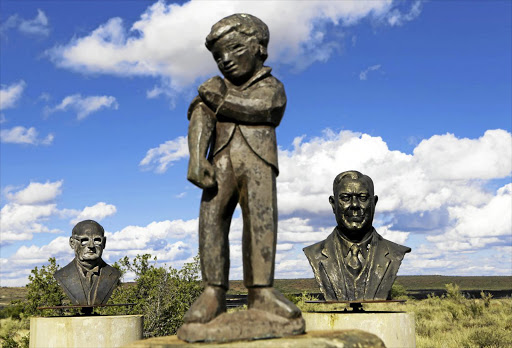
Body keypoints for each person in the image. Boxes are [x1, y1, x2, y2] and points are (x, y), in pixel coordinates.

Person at [184, 13, 300, 323]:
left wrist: (217, 99)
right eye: (218, 55)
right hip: (219, 161)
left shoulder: (271, 86)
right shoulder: (213, 89)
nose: (225, 60)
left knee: (261, 225)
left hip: (260, 162)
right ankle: (212, 292)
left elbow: (265, 110)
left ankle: (261, 292)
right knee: (211, 221)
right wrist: (197, 158)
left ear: (259, 47)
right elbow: (201, 116)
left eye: (234, 48)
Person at [303, 171, 411, 301]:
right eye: (345, 198)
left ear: (374, 203)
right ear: (333, 204)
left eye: (363, 197)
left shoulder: (395, 253)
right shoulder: (314, 253)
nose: (354, 205)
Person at [54, 220, 120, 306]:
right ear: (72, 243)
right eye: (84, 240)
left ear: (104, 243)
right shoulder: (61, 275)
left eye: (97, 240)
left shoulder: (114, 274)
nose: (91, 246)